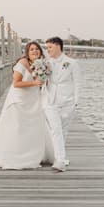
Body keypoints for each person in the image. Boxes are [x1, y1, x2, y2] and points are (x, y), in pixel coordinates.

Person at [0, 41, 54, 169]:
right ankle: (17, 156)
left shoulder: (42, 64)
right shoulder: (22, 63)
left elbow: (44, 80)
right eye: (32, 49)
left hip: (34, 100)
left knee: (34, 128)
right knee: (18, 128)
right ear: (27, 52)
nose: (35, 51)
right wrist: (34, 83)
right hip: (19, 100)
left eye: (37, 49)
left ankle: (34, 154)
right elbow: (16, 83)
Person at [43, 36, 83, 172]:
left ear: (58, 46)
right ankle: (60, 161)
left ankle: (59, 157)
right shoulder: (45, 63)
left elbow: (77, 82)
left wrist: (76, 102)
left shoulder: (71, 63)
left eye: (50, 47)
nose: (47, 50)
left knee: (63, 131)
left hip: (67, 102)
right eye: (47, 47)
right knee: (56, 130)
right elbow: (43, 81)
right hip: (50, 101)